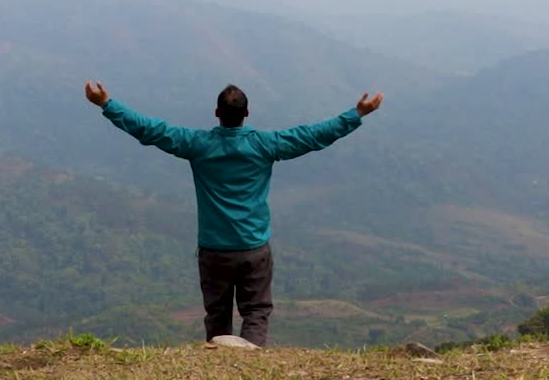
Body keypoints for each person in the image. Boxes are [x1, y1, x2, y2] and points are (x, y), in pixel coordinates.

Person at [84, 80, 383, 347]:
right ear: (247, 114)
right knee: (256, 311)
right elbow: (312, 136)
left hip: (214, 250)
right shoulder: (265, 145)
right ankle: (249, 366)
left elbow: (149, 129)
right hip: (254, 248)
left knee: (217, 314)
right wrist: (356, 114)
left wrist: (107, 105)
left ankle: (218, 368)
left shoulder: (197, 144)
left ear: (217, 113)